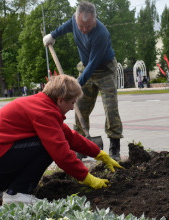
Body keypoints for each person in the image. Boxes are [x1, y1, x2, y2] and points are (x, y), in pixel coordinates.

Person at [0, 75, 123, 205]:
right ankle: (18, 194)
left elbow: (69, 136)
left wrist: (100, 154)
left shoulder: (40, 104)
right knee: (46, 147)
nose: (71, 107)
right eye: (72, 103)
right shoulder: (44, 112)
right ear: (61, 100)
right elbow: (61, 154)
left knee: (31, 148)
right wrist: (87, 177)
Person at [43, 1, 123, 160]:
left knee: (111, 108)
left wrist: (75, 84)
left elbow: (93, 64)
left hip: (104, 70)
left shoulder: (101, 33)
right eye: (81, 26)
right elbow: (65, 27)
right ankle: (80, 145)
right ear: (76, 18)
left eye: (88, 26)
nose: (85, 30)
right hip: (85, 67)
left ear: (95, 19)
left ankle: (114, 147)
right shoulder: (73, 21)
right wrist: (52, 35)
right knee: (79, 106)